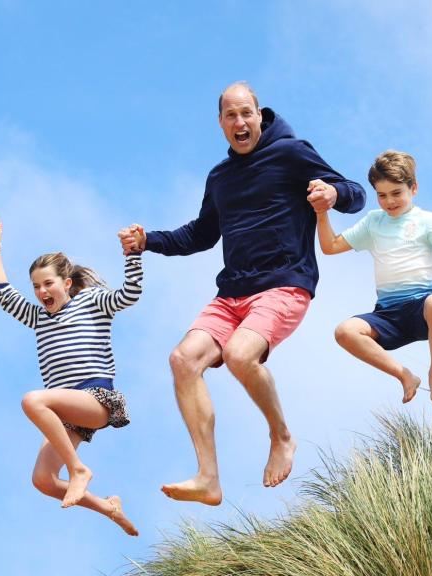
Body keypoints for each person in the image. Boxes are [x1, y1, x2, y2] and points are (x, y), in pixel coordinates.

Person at [119, 81, 365, 505]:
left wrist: (332, 192)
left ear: (259, 115)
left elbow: (355, 195)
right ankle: (208, 478)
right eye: (231, 115)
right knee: (183, 360)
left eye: (246, 113)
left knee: (239, 354)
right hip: (232, 293)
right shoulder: (220, 177)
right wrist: (148, 241)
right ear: (220, 123)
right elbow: (200, 234)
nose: (240, 122)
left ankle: (281, 436)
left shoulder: (291, 153)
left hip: (284, 283)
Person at [0, 215, 142, 536]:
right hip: (67, 413)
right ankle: (109, 508)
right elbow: (3, 294)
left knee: (32, 401)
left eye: (48, 284)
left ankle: (78, 470)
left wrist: (133, 255)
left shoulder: (91, 302)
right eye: (36, 286)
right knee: (43, 480)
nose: (41, 291)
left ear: (66, 284)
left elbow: (130, 294)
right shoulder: (38, 317)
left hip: (96, 398)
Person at [315, 150, 432, 404]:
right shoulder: (373, 222)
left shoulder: (428, 220)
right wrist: (322, 213)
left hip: (422, 309)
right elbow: (330, 246)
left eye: (396, 193)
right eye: (382, 195)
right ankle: (404, 375)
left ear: (413, 188)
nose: (389, 201)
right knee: (345, 331)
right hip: (388, 314)